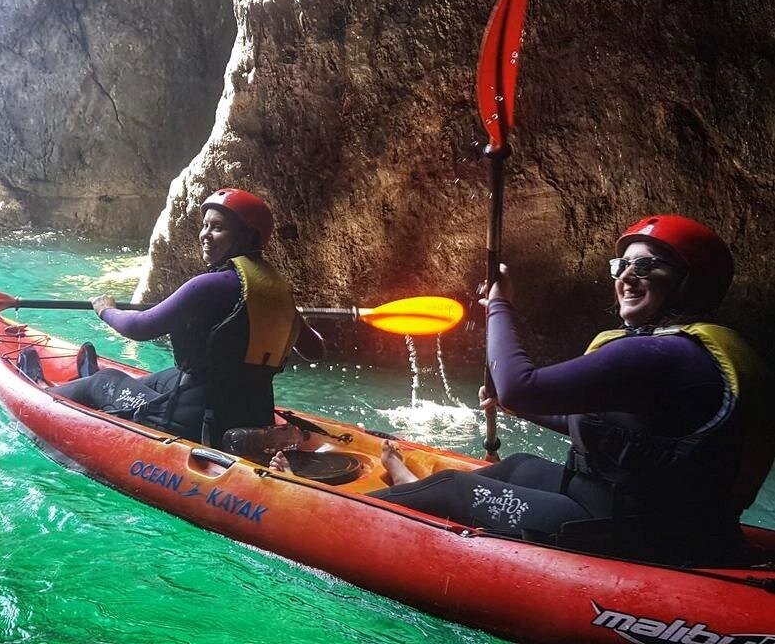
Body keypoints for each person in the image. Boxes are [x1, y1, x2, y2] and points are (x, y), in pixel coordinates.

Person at [283, 214, 773, 565]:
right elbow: (619, 433)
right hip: (657, 513)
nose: (627, 277)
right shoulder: (687, 351)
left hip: (629, 529)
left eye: (647, 267)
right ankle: (411, 488)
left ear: (689, 285)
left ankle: (337, 506)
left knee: (454, 488)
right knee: (518, 465)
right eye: (621, 265)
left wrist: (500, 305)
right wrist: (516, 406)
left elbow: (520, 385)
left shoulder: (658, 354)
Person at [43, 187, 324, 447]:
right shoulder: (277, 291)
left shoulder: (210, 285)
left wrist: (106, 309)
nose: (205, 235)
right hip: (253, 413)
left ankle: (45, 396)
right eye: (205, 225)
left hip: (196, 421)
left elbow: (138, 327)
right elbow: (315, 350)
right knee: (165, 377)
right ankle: (97, 391)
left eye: (218, 228)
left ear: (247, 237)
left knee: (104, 380)